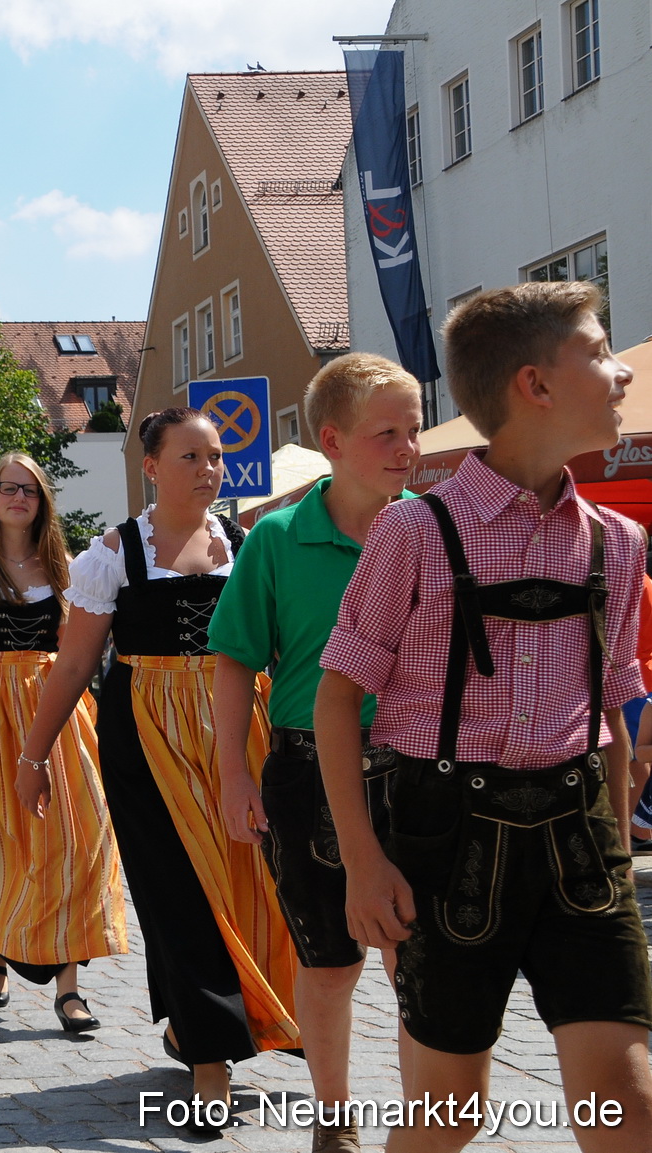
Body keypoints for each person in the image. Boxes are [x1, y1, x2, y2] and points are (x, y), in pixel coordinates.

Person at [316, 282, 652, 1150]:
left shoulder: (617, 543)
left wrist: (612, 841)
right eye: (599, 351)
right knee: (447, 1116)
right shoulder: (413, 533)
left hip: (580, 841)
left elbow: (611, 708)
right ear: (534, 385)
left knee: (629, 1105)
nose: (620, 373)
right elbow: (337, 698)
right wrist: (361, 861)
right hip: (445, 837)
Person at [23, 411, 301, 1115]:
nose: (208, 468)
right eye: (189, 456)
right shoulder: (111, 554)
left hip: (241, 728)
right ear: (150, 466)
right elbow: (76, 663)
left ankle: (214, 1020)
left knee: (248, 882)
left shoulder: (244, 543)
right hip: (145, 729)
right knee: (174, 890)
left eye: (215, 456)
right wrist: (34, 752)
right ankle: (211, 1060)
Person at [207, 354, 422, 1153]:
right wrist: (233, 770)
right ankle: (333, 1119)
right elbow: (234, 659)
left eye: (413, 429)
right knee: (329, 964)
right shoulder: (275, 539)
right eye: (386, 433)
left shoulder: (432, 532)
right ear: (331, 440)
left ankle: (422, 1124)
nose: (407, 449)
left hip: (416, 770)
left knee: (417, 966)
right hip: (303, 772)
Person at [0, 452, 127, 1032]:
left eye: (31, 490)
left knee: (74, 834)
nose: (19, 497)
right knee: (1, 835)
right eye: (8, 488)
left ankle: (70, 986)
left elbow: (77, 652)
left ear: (43, 502)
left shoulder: (63, 566)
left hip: (53, 705)